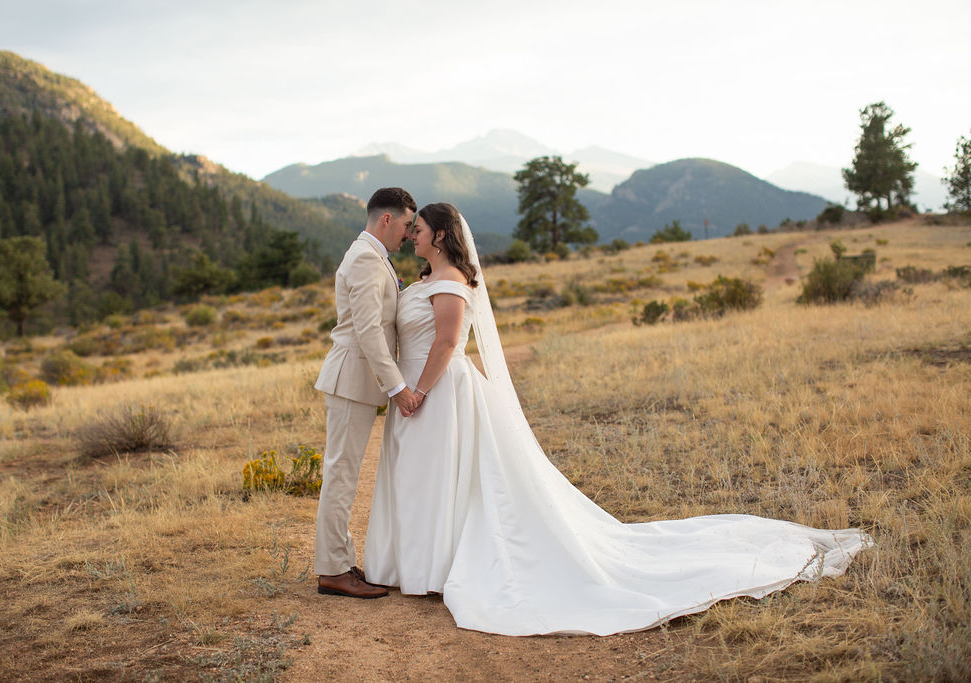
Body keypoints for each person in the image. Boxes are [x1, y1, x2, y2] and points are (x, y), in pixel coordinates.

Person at [365, 202, 872, 635]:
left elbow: (449, 342)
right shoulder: (428, 278)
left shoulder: (451, 282)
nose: (413, 236)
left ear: (442, 235)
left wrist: (419, 391)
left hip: (439, 391)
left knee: (444, 477)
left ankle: (438, 566)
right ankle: (421, 562)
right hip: (413, 392)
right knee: (424, 478)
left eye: (420, 230)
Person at [313, 187, 420, 599]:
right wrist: (396, 387)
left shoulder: (375, 257)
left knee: (344, 473)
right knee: (340, 473)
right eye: (407, 225)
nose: (409, 234)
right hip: (350, 379)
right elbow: (368, 329)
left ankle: (338, 561)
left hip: (356, 381)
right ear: (387, 219)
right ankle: (333, 571)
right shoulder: (363, 257)